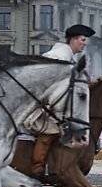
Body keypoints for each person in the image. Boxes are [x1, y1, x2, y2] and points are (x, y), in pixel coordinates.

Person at [26, 23, 93, 176]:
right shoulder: (57, 57)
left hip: (57, 104)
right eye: (82, 40)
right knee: (50, 128)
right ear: (73, 39)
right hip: (42, 104)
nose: (84, 43)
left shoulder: (70, 59)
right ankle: (38, 165)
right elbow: (43, 82)